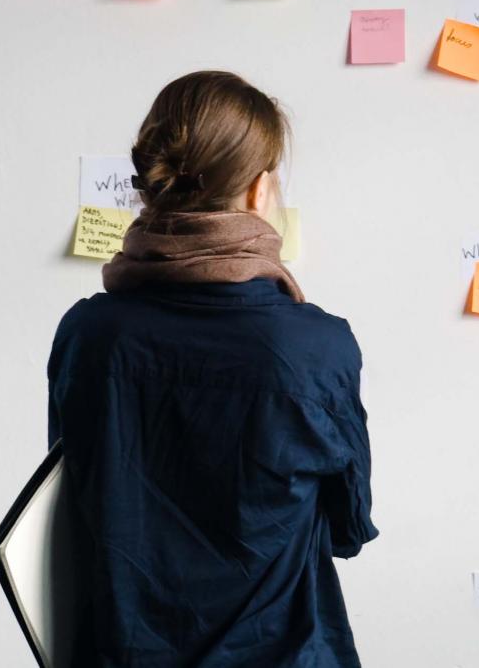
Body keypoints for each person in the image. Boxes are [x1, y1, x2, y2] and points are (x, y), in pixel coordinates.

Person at [47, 70, 378, 667]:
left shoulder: (88, 335)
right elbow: (347, 527)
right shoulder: (317, 348)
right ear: (258, 191)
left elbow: (76, 501)